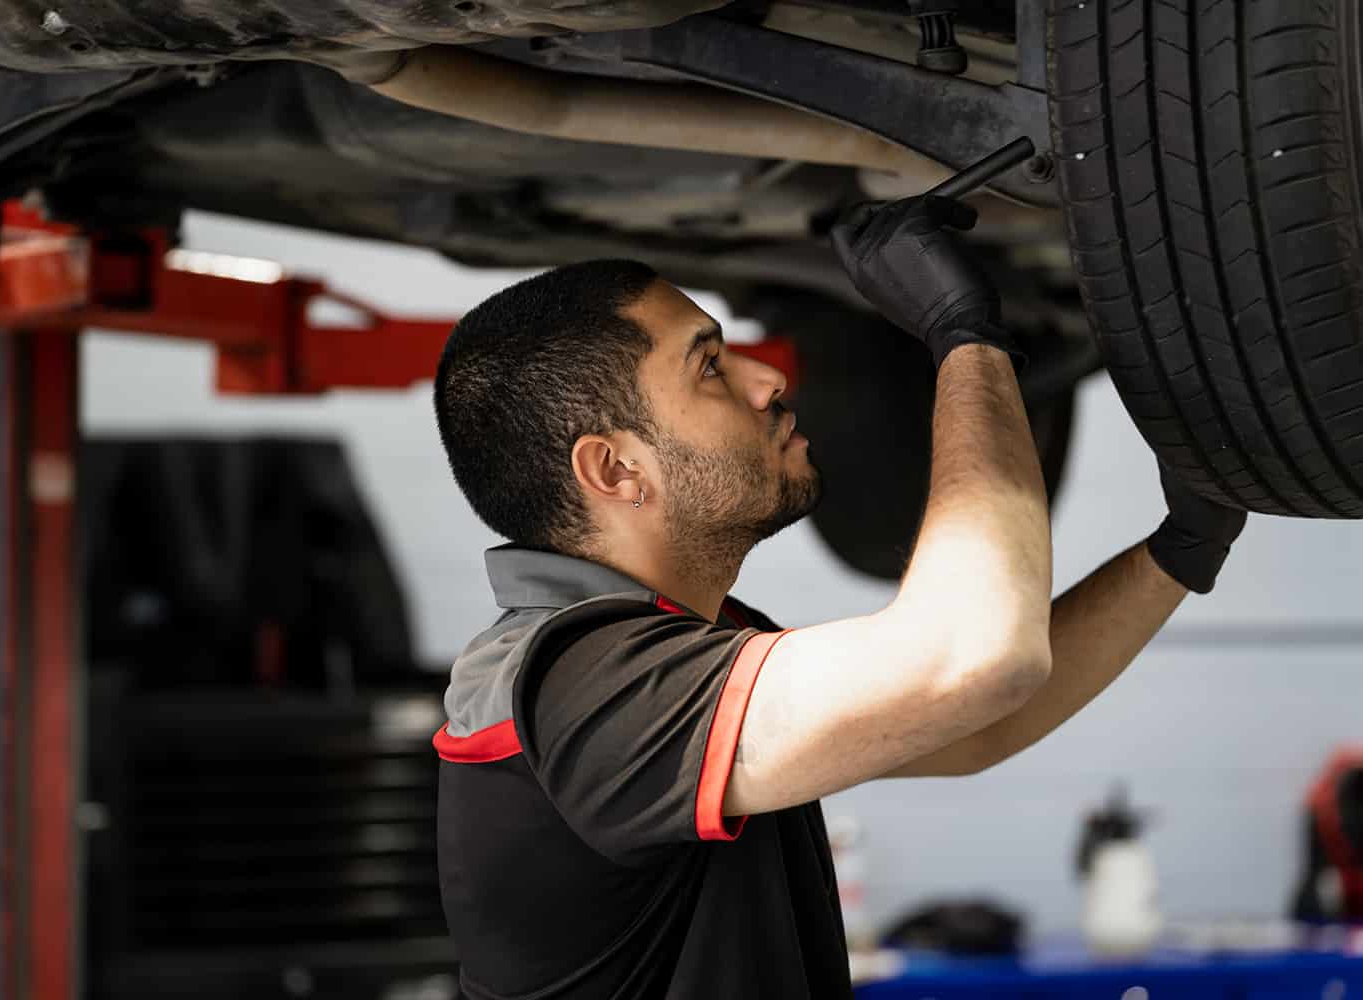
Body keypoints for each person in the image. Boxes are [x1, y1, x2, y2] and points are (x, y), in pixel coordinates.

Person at [428, 195, 1247, 999]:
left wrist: (1184, 545)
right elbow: (973, 660)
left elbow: (974, 720)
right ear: (615, 470)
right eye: (709, 365)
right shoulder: (582, 688)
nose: (767, 375)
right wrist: (965, 337)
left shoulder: (670, 651)